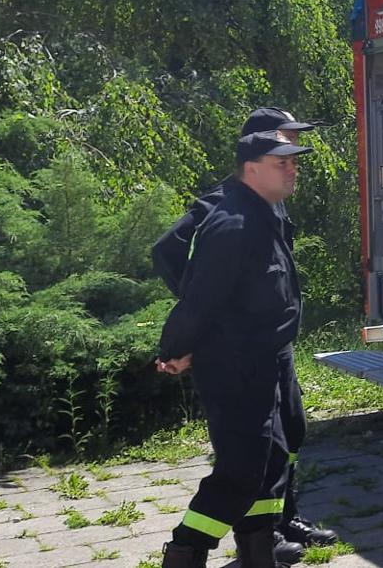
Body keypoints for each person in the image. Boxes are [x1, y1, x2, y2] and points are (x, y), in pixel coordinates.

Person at [150, 108, 338, 553]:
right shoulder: (232, 219)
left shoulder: (263, 209)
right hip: (236, 360)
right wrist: (179, 346)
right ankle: (186, 552)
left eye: (294, 157)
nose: (293, 167)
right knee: (241, 471)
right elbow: (200, 295)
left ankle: (261, 547)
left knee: (268, 457)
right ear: (252, 165)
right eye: (282, 158)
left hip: (264, 354)